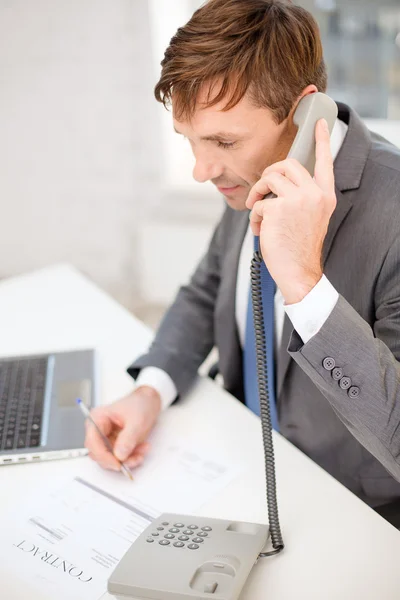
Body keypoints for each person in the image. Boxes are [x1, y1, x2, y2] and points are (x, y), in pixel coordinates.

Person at [85, 0, 400, 526]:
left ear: (305, 116)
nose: (201, 169)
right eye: (190, 140)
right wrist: (152, 388)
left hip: (351, 511)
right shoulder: (249, 171)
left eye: (223, 141)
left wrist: (303, 281)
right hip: (240, 468)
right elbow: (210, 286)